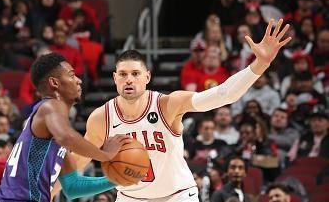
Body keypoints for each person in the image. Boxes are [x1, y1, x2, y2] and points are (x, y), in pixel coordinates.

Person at [74, 19, 291, 201]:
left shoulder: (168, 104)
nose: (129, 80)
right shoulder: (101, 117)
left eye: (135, 73)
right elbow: (75, 166)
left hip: (177, 195)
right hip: (131, 198)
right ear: (114, 78)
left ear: (147, 76)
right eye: (122, 74)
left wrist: (260, 63)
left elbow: (224, 94)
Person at [0, 52, 129, 202]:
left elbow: (72, 187)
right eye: (71, 75)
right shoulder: (50, 106)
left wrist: (117, 179)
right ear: (54, 83)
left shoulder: (53, 133)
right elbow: (66, 137)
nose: (78, 81)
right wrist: (105, 155)